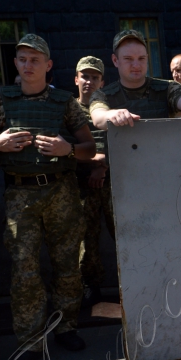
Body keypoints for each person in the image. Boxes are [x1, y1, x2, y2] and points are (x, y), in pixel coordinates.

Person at [0, 34, 96, 360]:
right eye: (22, 59)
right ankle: (31, 342)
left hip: (61, 191)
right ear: (15, 63)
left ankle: (66, 327)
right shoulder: (1, 100)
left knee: (67, 265)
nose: (28, 65)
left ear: (48, 65)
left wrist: (67, 149)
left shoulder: (64, 103)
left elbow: (90, 149)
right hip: (20, 195)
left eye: (35, 60)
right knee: (24, 269)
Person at [90, 29, 181, 238]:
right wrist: (112, 115)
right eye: (128, 59)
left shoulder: (167, 88)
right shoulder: (104, 94)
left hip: (167, 182)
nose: (136, 64)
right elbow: (98, 116)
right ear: (115, 61)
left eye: (141, 58)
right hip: (124, 187)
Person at [74, 56, 108, 308]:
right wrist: (93, 163)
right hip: (82, 186)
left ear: (102, 81)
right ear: (76, 79)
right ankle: (91, 289)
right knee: (87, 242)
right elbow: (66, 147)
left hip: (114, 184)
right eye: (85, 76)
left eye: (94, 77)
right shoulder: (69, 110)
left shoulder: (109, 108)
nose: (89, 81)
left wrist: (103, 166)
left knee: (126, 235)